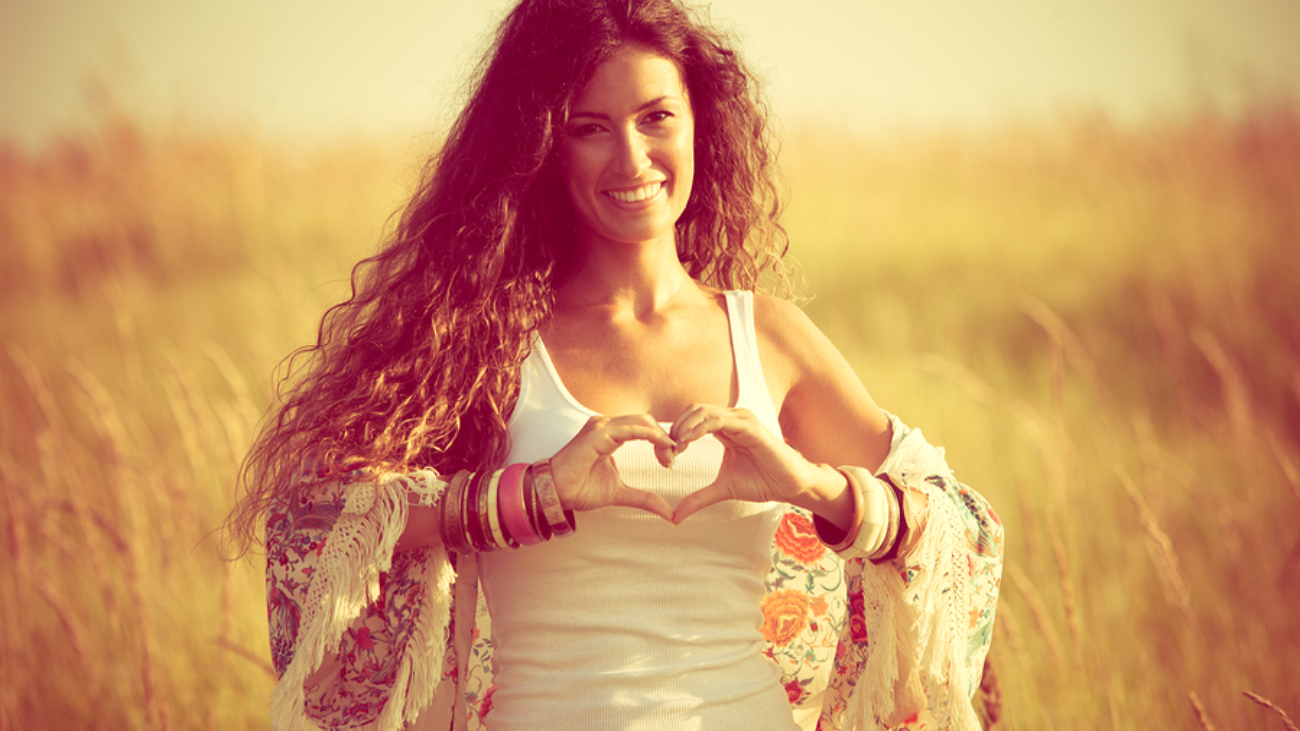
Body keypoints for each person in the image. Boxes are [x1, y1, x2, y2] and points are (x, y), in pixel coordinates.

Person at [228, 0, 1004, 729]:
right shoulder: (482, 338)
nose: (632, 157)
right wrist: (526, 498)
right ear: (542, 148)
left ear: (700, 122)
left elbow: (959, 530)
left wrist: (812, 486)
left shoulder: (767, 336)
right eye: (589, 127)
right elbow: (312, 525)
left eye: (656, 117)